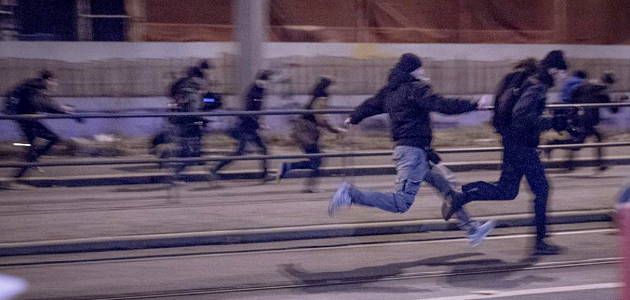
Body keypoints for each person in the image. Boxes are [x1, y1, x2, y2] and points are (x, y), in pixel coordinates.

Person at [327, 53, 496, 246]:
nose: (424, 72)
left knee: (449, 190)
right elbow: (441, 104)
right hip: (412, 154)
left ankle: (472, 230)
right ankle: (350, 194)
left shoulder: (390, 91)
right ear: (414, 70)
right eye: (421, 68)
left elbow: (370, 105)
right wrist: (474, 104)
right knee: (401, 203)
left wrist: (353, 117)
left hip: (419, 153)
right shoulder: (415, 89)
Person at [444, 50, 570, 256]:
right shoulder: (537, 85)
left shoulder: (529, 80)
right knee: (542, 189)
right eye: (563, 72)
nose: (564, 77)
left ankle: (463, 194)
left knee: (507, 190)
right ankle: (540, 242)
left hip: (513, 143)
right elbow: (521, 116)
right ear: (554, 69)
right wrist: (551, 122)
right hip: (523, 146)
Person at [4, 70, 82, 179]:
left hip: (24, 118)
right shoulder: (35, 89)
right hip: (27, 119)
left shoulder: (33, 86)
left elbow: (46, 102)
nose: (55, 85)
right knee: (52, 138)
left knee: (33, 149)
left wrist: (63, 109)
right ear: (48, 80)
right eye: (54, 82)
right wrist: (64, 110)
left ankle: (20, 174)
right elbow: (44, 104)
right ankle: (19, 174)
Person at [276, 76, 345, 193]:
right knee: (317, 160)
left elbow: (320, 118)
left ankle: (291, 169)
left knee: (316, 160)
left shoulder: (315, 98)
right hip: (306, 133)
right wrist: (336, 130)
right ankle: (307, 184)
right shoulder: (321, 99)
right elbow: (321, 119)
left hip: (305, 132)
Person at [546, 71, 619, 171]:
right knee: (582, 142)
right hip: (589, 119)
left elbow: (572, 97)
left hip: (577, 117)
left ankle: (574, 162)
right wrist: (619, 100)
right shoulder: (603, 91)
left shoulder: (585, 85)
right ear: (610, 82)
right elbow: (613, 110)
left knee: (583, 140)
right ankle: (553, 145)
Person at [211, 70, 274, 181]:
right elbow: (249, 111)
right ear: (261, 80)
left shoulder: (260, 91)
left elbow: (257, 110)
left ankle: (265, 174)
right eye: (266, 81)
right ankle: (215, 169)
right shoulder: (253, 92)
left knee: (263, 149)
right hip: (245, 126)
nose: (267, 84)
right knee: (241, 152)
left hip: (251, 126)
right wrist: (259, 123)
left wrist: (260, 122)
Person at [166, 61, 212, 180]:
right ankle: (176, 171)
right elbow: (198, 103)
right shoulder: (193, 86)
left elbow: (202, 100)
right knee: (188, 147)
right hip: (187, 119)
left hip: (183, 117)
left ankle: (181, 167)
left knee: (188, 144)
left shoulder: (186, 84)